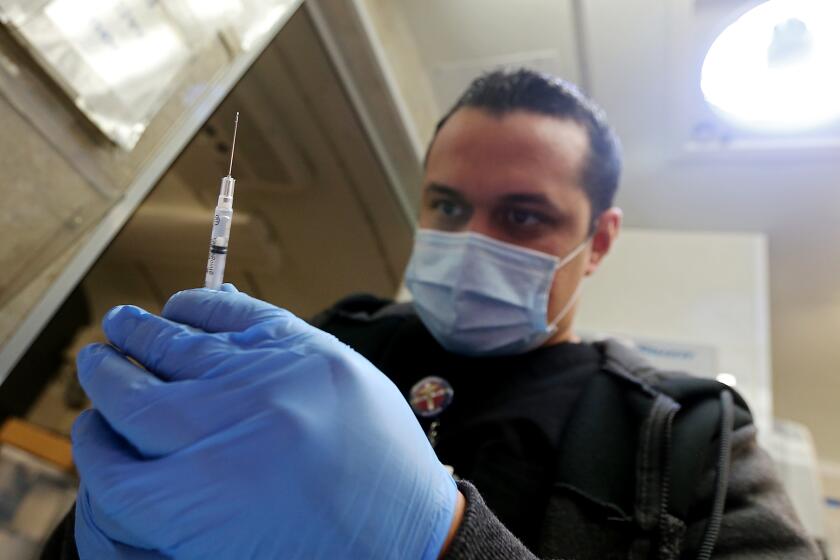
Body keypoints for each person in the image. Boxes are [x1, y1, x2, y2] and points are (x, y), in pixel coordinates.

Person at [43, 70, 819, 559]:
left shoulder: (686, 435)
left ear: (601, 240)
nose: (470, 241)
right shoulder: (334, 338)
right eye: (446, 205)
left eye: (522, 217)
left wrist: (444, 545)